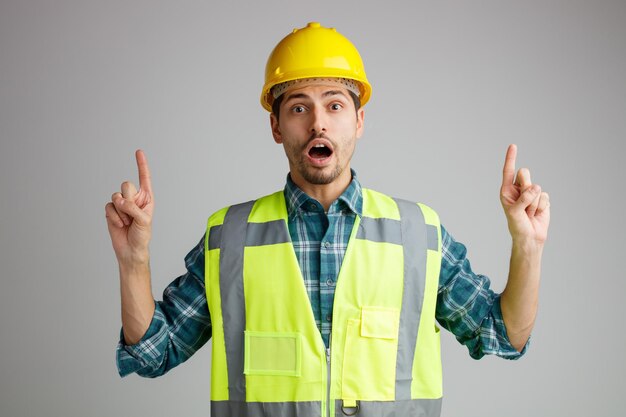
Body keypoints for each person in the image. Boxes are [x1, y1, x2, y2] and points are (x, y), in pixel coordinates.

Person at [105, 22, 550, 417]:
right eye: (298, 107)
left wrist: (527, 246)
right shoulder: (230, 238)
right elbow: (152, 353)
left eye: (334, 105)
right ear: (276, 126)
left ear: (358, 120)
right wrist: (134, 260)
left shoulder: (419, 235)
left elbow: (502, 333)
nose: (318, 123)